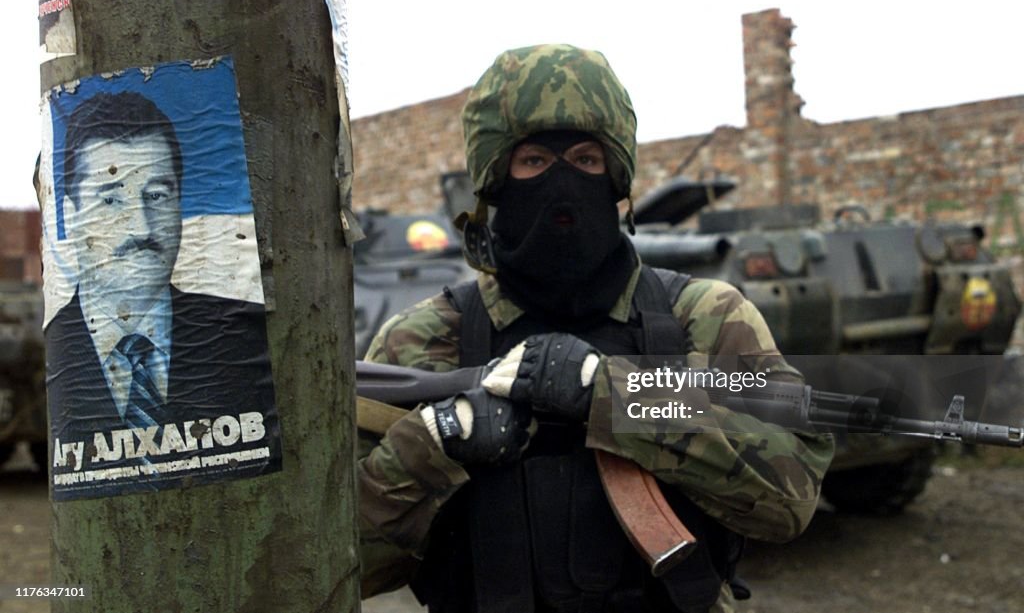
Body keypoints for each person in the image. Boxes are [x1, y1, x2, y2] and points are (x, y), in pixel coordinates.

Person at [358, 45, 834, 613]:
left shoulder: (706, 318)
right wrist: (432, 444)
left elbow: (792, 497)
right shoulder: (421, 340)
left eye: (586, 160)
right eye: (533, 161)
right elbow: (344, 566)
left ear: (616, 179)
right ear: (493, 180)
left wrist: (618, 399)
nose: (562, 185)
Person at [46, 91, 275, 445]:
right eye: (109, 200)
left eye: (156, 196)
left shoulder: (249, 336)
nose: (141, 227)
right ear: (70, 215)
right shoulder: (54, 350)